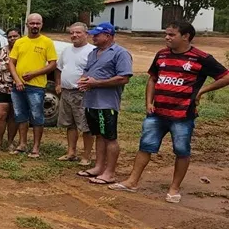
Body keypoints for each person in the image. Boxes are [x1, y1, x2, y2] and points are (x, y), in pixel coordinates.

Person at [113, 22, 229, 201]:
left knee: (182, 151)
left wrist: (202, 91)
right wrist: (148, 103)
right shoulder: (161, 54)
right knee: (145, 147)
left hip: (182, 115)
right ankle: (132, 182)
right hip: (157, 113)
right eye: (166, 34)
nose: (166, 37)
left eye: (171, 34)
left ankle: (174, 189)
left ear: (186, 36)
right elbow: (152, 79)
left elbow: (226, 76)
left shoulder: (201, 58)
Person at [75, 22, 133, 185]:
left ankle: (110, 172)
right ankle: (99, 167)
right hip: (91, 101)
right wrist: (84, 79)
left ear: (108, 36)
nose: (94, 37)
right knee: (99, 135)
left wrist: (96, 83)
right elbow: (88, 72)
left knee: (110, 137)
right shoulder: (93, 53)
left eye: (97, 34)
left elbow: (124, 78)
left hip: (106, 103)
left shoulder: (120, 53)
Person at [8, 13, 57, 158]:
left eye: (37, 23)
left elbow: (53, 64)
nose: (35, 26)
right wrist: (17, 80)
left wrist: (35, 74)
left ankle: (36, 147)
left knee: (37, 117)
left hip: (36, 86)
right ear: (27, 25)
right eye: (32, 23)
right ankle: (22, 144)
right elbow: (11, 62)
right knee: (20, 116)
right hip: (18, 86)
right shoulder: (20, 42)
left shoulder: (47, 42)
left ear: (41, 25)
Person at [54, 22, 96, 165]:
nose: (74, 35)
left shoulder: (93, 51)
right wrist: (59, 84)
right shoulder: (66, 50)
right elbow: (59, 68)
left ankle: (86, 156)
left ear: (86, 34)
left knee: (85, 126)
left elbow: (96, 72)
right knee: (69, 124)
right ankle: (71, 152)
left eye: (78, 32)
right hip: (66, 93)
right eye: (72, 33)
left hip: (82, 94)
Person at [0, 28, 20, 151]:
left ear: (20, 37)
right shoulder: (0, 52)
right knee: (0, 115)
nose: (12, 39)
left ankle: (11, 142)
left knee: (14, 116)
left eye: (15, 36)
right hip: (1, 89)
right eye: (10, 36)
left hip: (18, 89)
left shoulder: (24, 52)